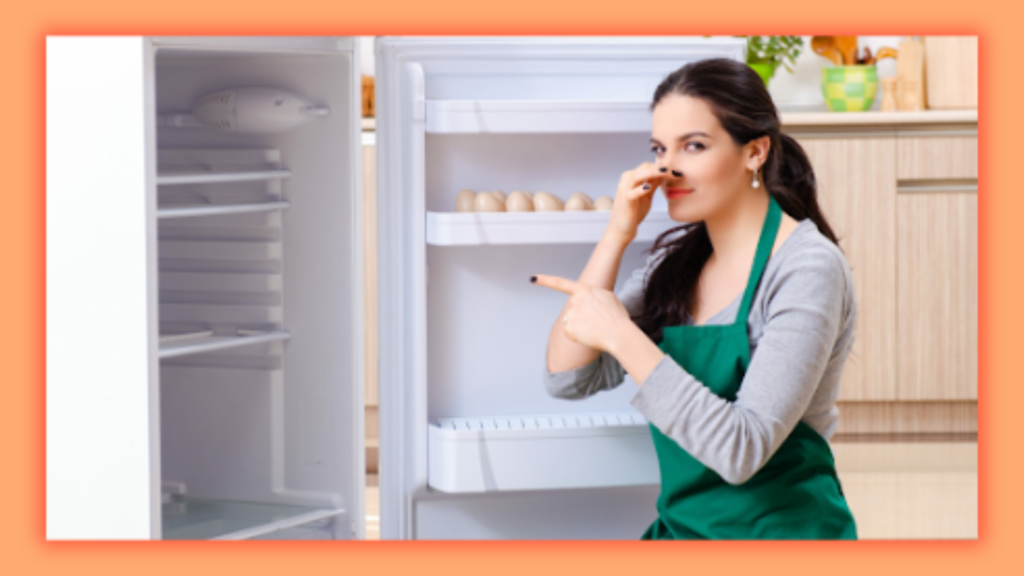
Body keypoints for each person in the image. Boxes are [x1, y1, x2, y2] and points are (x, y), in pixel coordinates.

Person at [530, 57, 858, 540]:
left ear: (755, 153)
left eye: (694, 146)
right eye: (659, 148)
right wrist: (618, 233)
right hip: (684, 534)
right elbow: (567, 378)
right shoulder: (675, 268)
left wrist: (622, 334)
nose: (668, 167)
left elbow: (741, 450)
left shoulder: (806, 267)